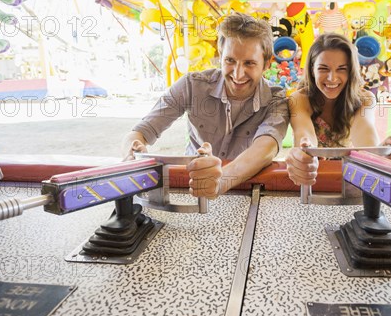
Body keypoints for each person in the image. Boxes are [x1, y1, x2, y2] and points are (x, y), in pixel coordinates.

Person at [122, 13, 289, 198]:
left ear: (266, 64)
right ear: (220, 57)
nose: (238, 74)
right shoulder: (192, 85)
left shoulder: (277, 100)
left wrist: (219, 181)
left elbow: (265, 148)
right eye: (230, 61)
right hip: (193, 189)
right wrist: (132, 154)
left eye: (249, 63)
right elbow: (140, 132)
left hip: (244, 192)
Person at [285, 33, 391, 186]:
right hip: (311, 178)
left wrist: (382, 156)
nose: (332, 78)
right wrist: (305, 151)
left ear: (351, 71)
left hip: (352, 181)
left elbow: (365, 136)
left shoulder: (365, 99)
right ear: (312, 69)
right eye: (323, 69)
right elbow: (304, 135)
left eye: (342, 69)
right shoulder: (299, 98)